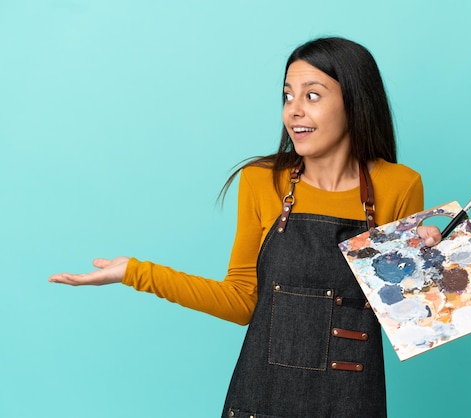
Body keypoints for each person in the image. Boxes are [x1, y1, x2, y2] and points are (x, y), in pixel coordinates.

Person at [49, 37, 441, 417]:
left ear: (354, 102)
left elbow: (411, 321)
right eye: (288, 96)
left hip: (349, 403)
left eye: (312, 95)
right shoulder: (261, 181)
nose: (294, 110)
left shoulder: (400, 185)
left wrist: (433, 263)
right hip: (261, 401)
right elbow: (241, 302)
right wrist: (135, 272)